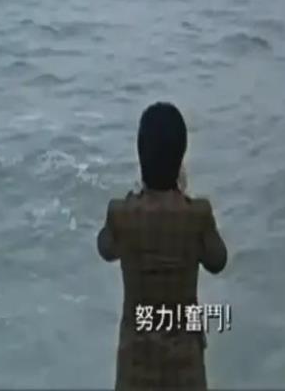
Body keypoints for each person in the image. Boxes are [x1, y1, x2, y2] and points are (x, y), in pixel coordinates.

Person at [97, 102, 227, 390]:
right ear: (181, 158)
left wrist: (135, 198)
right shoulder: (197, 214)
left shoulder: (121, 213)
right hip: (186, 370)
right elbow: (218, 260)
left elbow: (105, 248)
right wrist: (184, 198)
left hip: (135, 369)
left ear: (140, 154)